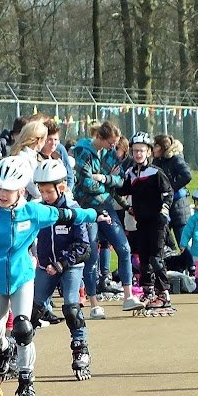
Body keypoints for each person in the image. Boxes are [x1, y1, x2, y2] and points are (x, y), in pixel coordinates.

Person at [0, 155, 108, 396]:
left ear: (21, 190)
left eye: (8, 190)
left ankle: (27, 380)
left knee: (23, 326)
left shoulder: (33, 211)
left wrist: (95, 215)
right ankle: (6, 349)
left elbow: (69, 215)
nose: (2, 194)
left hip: (22, 278)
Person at [30, 159, 94, 380]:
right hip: (44, 265)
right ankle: (17, 351)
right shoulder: (38, 210)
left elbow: (84, 247)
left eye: (48, 191)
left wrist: (61, 263)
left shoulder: (73, 210)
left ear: (62, 187)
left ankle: (80, 348)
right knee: (33, 310)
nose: (45, 195)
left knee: (71, 307)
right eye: (41, 190)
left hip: (70, 266)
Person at [70, 121, 141, 317]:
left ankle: (128, 297)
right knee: (92, 255)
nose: (113, 147)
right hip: (88, 208)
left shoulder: (110, 154)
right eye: (111, 142)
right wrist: (106, 186)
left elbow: (119, 181)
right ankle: (94, 304)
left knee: (123, 247)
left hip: (107, 205)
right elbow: (85, 184)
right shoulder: (83, 151)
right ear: (100, 138)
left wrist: (103, 178)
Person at [118, 132, 175, 316]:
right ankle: (148, 291)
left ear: (149, 152)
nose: (138, 154)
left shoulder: (156, 172)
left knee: (155, 257)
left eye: (141, 151)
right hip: (141, 221)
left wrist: (163, 211)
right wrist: (128, 207)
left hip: (157, 221)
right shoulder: (131, 174)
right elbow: (121, 190)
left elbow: (168, 193)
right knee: (143, 257)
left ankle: (164, 293)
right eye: (135, 151)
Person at [152, 134, 192, 248]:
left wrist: (170, 188)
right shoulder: (157, 161)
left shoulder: (175, 158)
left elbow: (187, 175)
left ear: (161, 147)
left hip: (178, 205)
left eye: (155, 145)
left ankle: (190, 265)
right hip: (164, 205)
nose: (153, 148)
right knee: (163, 240)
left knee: (182, 241)